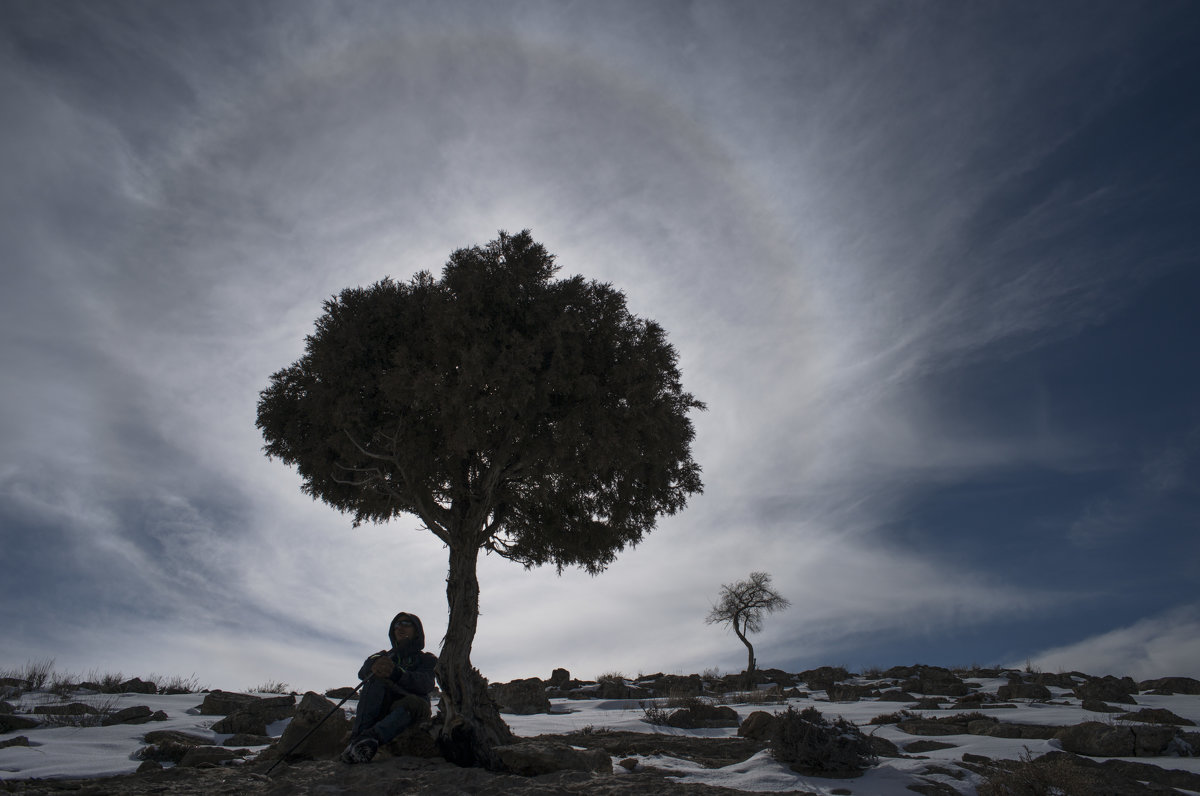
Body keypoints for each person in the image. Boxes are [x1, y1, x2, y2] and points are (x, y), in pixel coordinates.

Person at [340, 611, 438, 764]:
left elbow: (425, 683)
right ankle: (356, 742)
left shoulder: (427, 659)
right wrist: (374, 666)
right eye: (397, 625)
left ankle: (367, 739)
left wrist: (397, 674)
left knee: (414, 703)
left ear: (417, 630)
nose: (400, 628)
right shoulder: (383, 655)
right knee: (374, 681)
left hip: (411, 709)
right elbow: (363, 671)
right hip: (383, 706)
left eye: (406, 624)